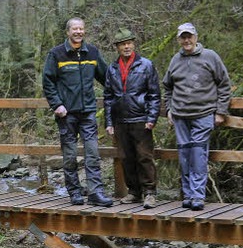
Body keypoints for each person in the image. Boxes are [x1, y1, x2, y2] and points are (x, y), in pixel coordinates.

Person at [42, 17, 113, 207]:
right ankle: (74, 192)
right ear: (68, 32)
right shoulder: (56, 54)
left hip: (88, 112)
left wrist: (123, 92)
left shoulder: (92, 52)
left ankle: (96, 192)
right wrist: (57, 104)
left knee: (92, 153)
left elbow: (106, 78)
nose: (78, 32)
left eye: (81, 28)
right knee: (70, 155)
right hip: (66, 114)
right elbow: (48, 81)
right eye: (75, 29)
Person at [162, 22, 232, 211]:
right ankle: (188, 194)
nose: (187, 40)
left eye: (189, 36)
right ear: (178, 39)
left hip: (203, 114)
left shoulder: (210, 57)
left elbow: (224, 85)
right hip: (180, 116)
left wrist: (221, 111)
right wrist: (169, 109)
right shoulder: (175, 60)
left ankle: (197, 195)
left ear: (196, 37)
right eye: (183, 37)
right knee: (184, 155)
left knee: (198, 154)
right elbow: (167, 87)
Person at [104, 28, 161, 209]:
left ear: (133, 44)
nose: (126, 46)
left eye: (129, 43)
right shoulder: (112, 69)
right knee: (126, 158)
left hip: (141, 118)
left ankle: (150, 193)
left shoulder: (146, 65)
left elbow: (154, 94)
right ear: (117, 47)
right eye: (122, 44)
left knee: (144, 157)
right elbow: (108, 97)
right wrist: (109, 122)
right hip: (121, 120)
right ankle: (134, 192)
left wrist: (152, 117)